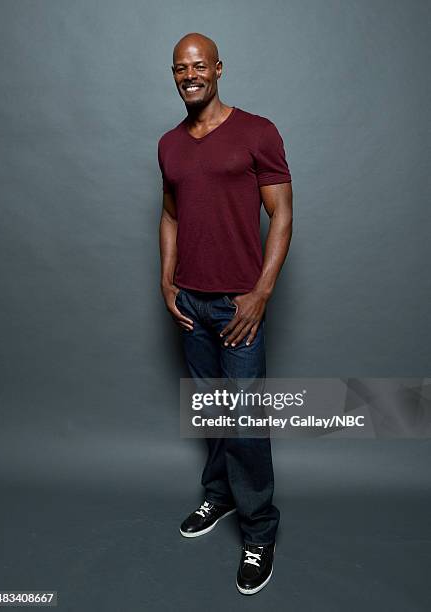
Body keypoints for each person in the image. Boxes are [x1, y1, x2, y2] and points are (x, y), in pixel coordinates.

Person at [158, 32, 293, 595]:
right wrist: (165, 279)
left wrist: (260, 294)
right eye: (178, 68)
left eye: (197, 66)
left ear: (218, 68)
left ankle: (259, 530)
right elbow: (170, 215)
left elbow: (282, 215)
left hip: (239, 306)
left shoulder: (257, 132)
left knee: (244, 421)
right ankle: (218, 497)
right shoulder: (168, 144)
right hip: (190, 303)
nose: (189, 75)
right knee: (211, 413)